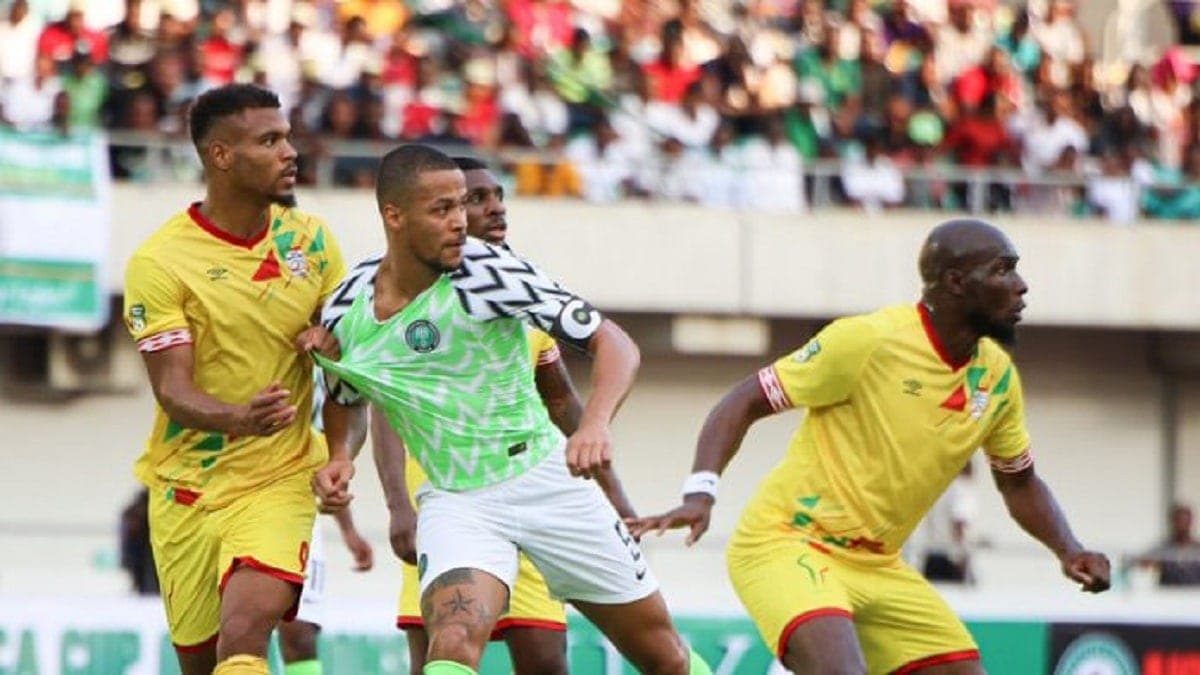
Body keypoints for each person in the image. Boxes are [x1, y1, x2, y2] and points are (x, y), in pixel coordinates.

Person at [631, 219, 1111, 674]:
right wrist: (700, 491)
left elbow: (1018, 481)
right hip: (790, 541)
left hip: (877, 564)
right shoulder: (869, 340)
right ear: (957, 282)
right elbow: (745, 399)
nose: (1021, 285)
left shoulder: (998, 377)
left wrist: (1068, 549)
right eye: (1004, 269)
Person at [312, 144, 711, 675]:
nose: (460, 223)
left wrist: (594, 424)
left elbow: (616, 344)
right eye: (443, 210)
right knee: (452, 641)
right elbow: (346, 396)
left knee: (664, 658)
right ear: (394, 216)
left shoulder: (488, 272)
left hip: (546, 481)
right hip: (457, 500)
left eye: (462, 205)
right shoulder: (347, 306)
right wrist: (340, 453)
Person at [373, 155, 640, 675]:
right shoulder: (405, 295)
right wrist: (398, 505)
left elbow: (561, 401)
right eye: (475, 199)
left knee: (545, 660)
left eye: (497, 196)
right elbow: (385, 409)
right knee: (439, 653)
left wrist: (617, 499)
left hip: (532, 498)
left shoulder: (521, 287)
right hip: (448, 509)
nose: (494, 208)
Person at [122, 83, 346, 675]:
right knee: (201, 664)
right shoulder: (161, 262)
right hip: (184, 490)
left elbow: (355, 366)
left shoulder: (314, 242)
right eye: (270, 140)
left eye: (288, 136)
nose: (290, 151)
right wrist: (238, 418)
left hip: (280, 477)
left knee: (245, 632)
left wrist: (335, 348)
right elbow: (172, 389)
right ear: (221, 156)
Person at [918, 463, 978, 585]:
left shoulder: (939, 489)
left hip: (931, 557)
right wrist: (963, 555)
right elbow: (960, 522)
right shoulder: (963, 489)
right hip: (951, 559)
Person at [1134, 503, 1200, 586]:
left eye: (1185, 521)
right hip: (1169, 595)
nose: (1181, 525)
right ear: (1172, 522)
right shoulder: (1164, 548)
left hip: (1195, 596)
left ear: (1191, 522)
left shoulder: (1197, 548)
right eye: (1178, 521)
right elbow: (1142, 562)